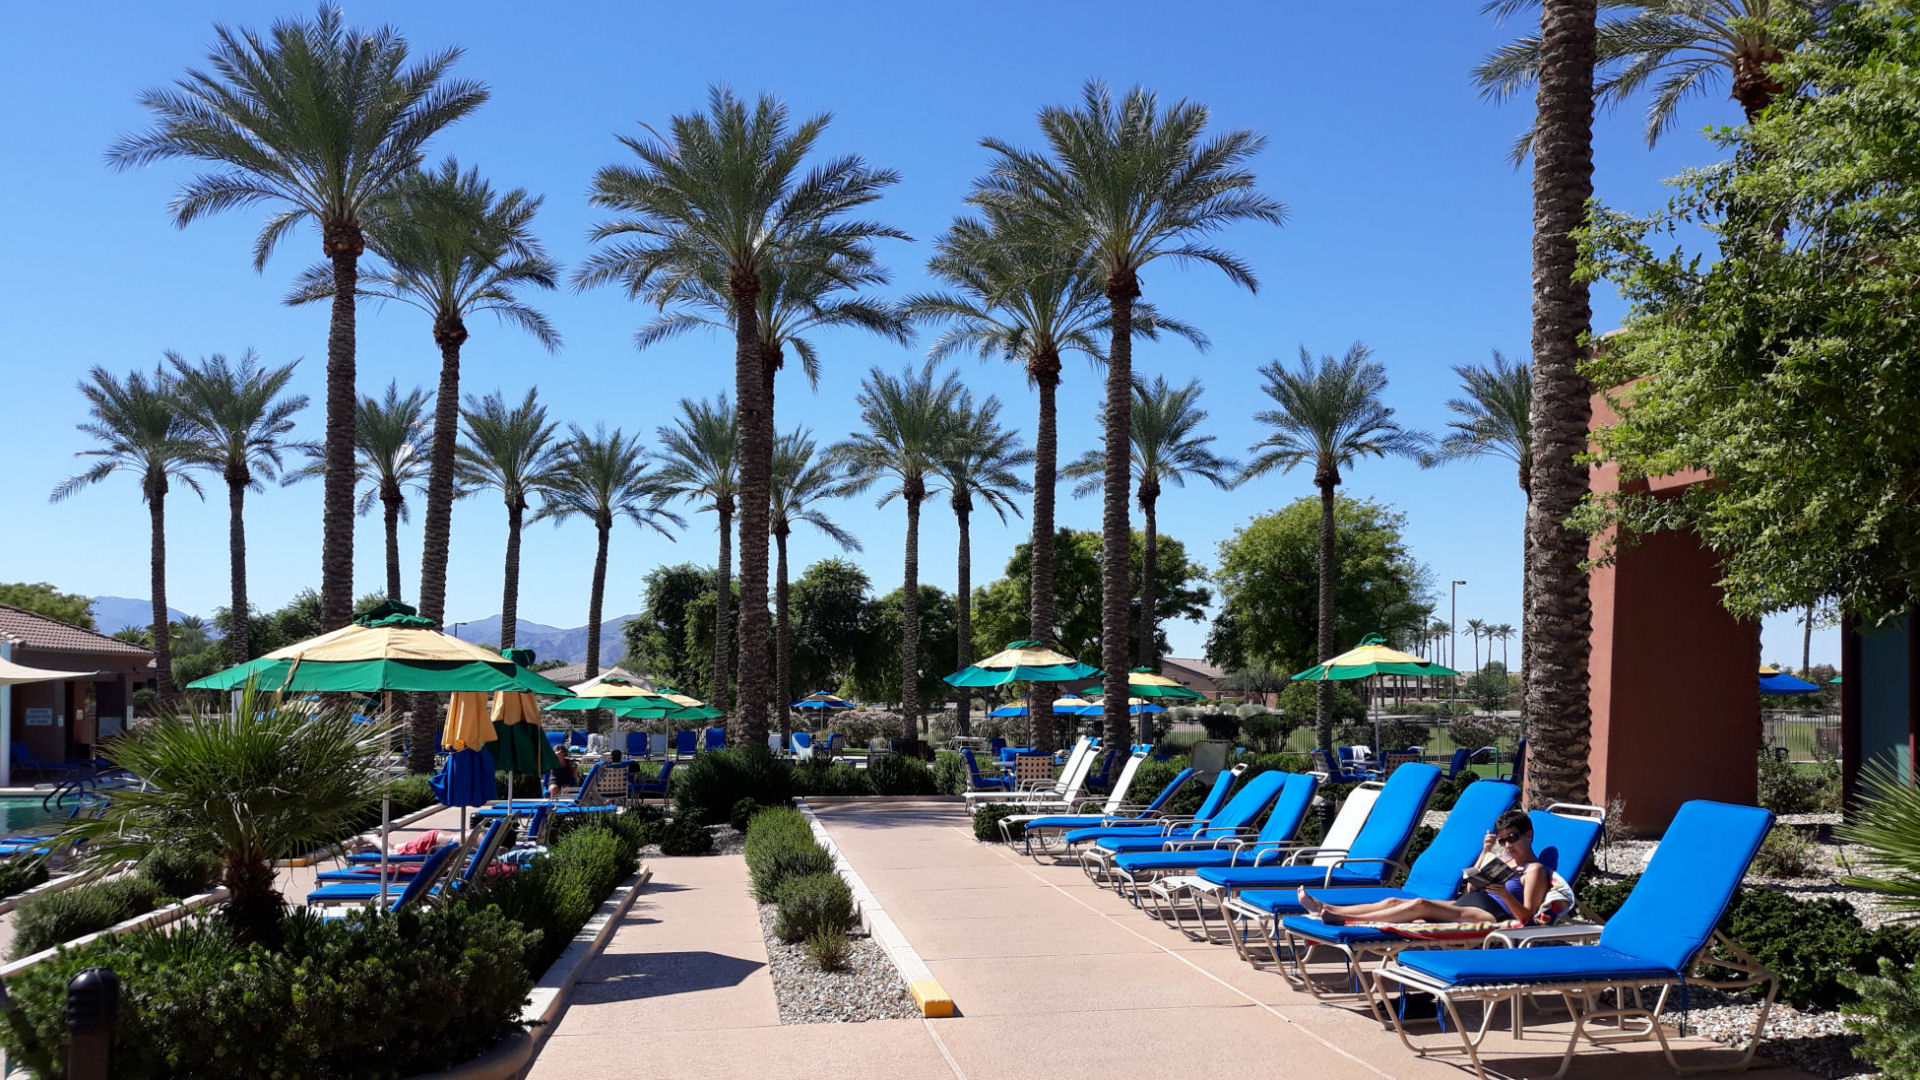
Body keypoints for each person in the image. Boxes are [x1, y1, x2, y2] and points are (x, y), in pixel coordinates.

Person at [1296, 809, 1575, 926]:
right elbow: (1469, 885)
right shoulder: (1504, 860)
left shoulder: (1534, 870)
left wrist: (1503, 893)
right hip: (1469, 899)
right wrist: (1487, 851)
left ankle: (1348, 921)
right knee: (1394, 899)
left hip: (1488, 913)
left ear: (1529, 835)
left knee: (1417, 904)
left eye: (1512, 838)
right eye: (1503, 840)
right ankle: (1328, 909)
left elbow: (1526, 917)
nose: (1508, 845)